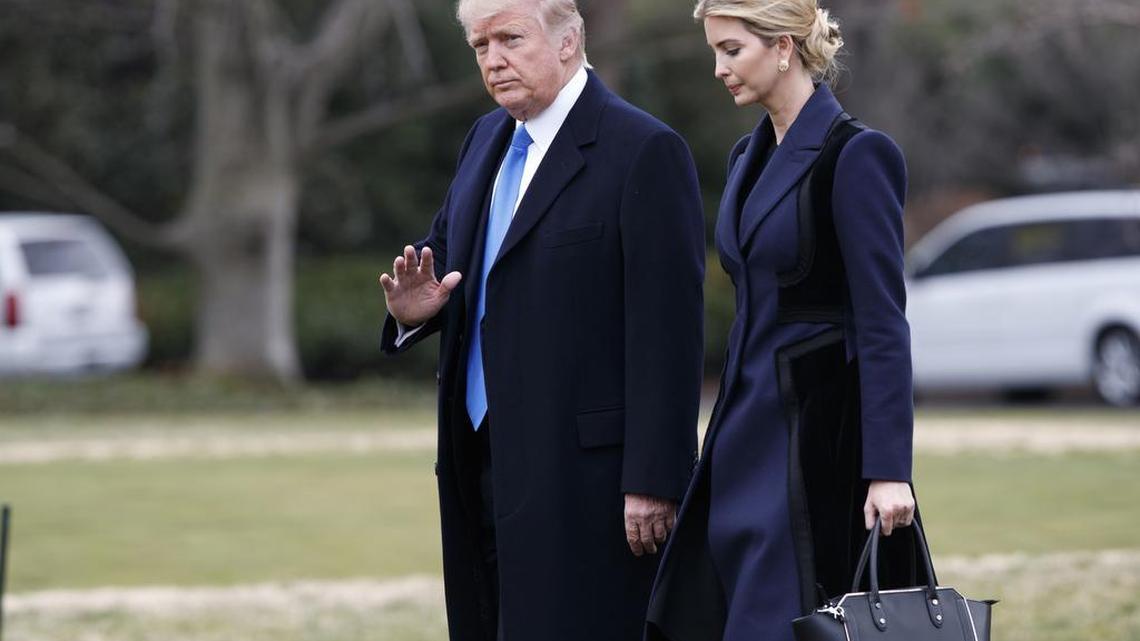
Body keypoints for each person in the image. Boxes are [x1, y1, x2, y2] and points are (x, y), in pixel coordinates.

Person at [377, 1, 706, 639]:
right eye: (480, 45)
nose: (493, 60)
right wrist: (412, 313)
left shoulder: (644, 149)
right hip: (477, 463)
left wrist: (655, 478)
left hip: (588, 483)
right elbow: (449, 265)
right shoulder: (484, 140)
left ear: (568, 41)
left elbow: (669, 332)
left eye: (510, 38)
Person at [645, 2, 930, 640]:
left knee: (784, 617)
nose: (718, 68)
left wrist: (889, 470)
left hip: (815, 443)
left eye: (732, 50)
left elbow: (884, 324)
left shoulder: (858, 156)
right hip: (741, 427)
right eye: (714, 51)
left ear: (783, 48)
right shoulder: (746, 156)